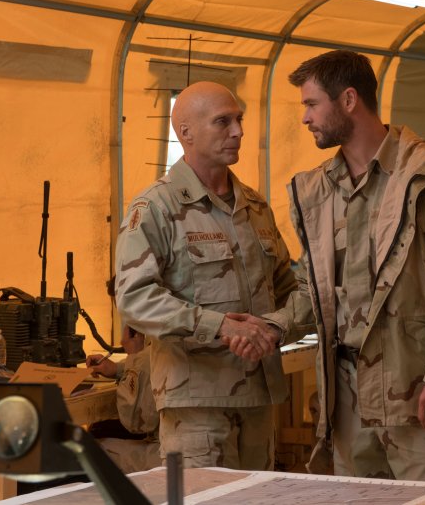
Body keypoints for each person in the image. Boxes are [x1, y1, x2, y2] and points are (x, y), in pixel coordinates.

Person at [244, 50, 425, 481]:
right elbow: (315, 289)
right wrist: (274, 326)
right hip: (347, 400)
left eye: (311, 104)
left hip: (416, 392)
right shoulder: (319, 191)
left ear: (348, 100)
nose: (305, 118)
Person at [114, 81, 297, 469]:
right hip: (196, 408)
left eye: (239, 119)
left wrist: (275, 327)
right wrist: (220, 326)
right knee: (203, 497)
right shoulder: (156, 208)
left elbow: (290, 287)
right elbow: (134, 298)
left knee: (258, 498)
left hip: (258, 399)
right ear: (186, 132)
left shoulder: (254, 206)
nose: (238, 131)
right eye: (223, 121)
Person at [86, 325, 160, 473]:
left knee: (87, 448)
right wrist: (117, 369)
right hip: (200, 448)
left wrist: (134, 354)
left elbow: (134, 422)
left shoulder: (149, 356)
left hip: (165, 455)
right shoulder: (180, 344)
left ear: (137, 334)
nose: (121, 342)